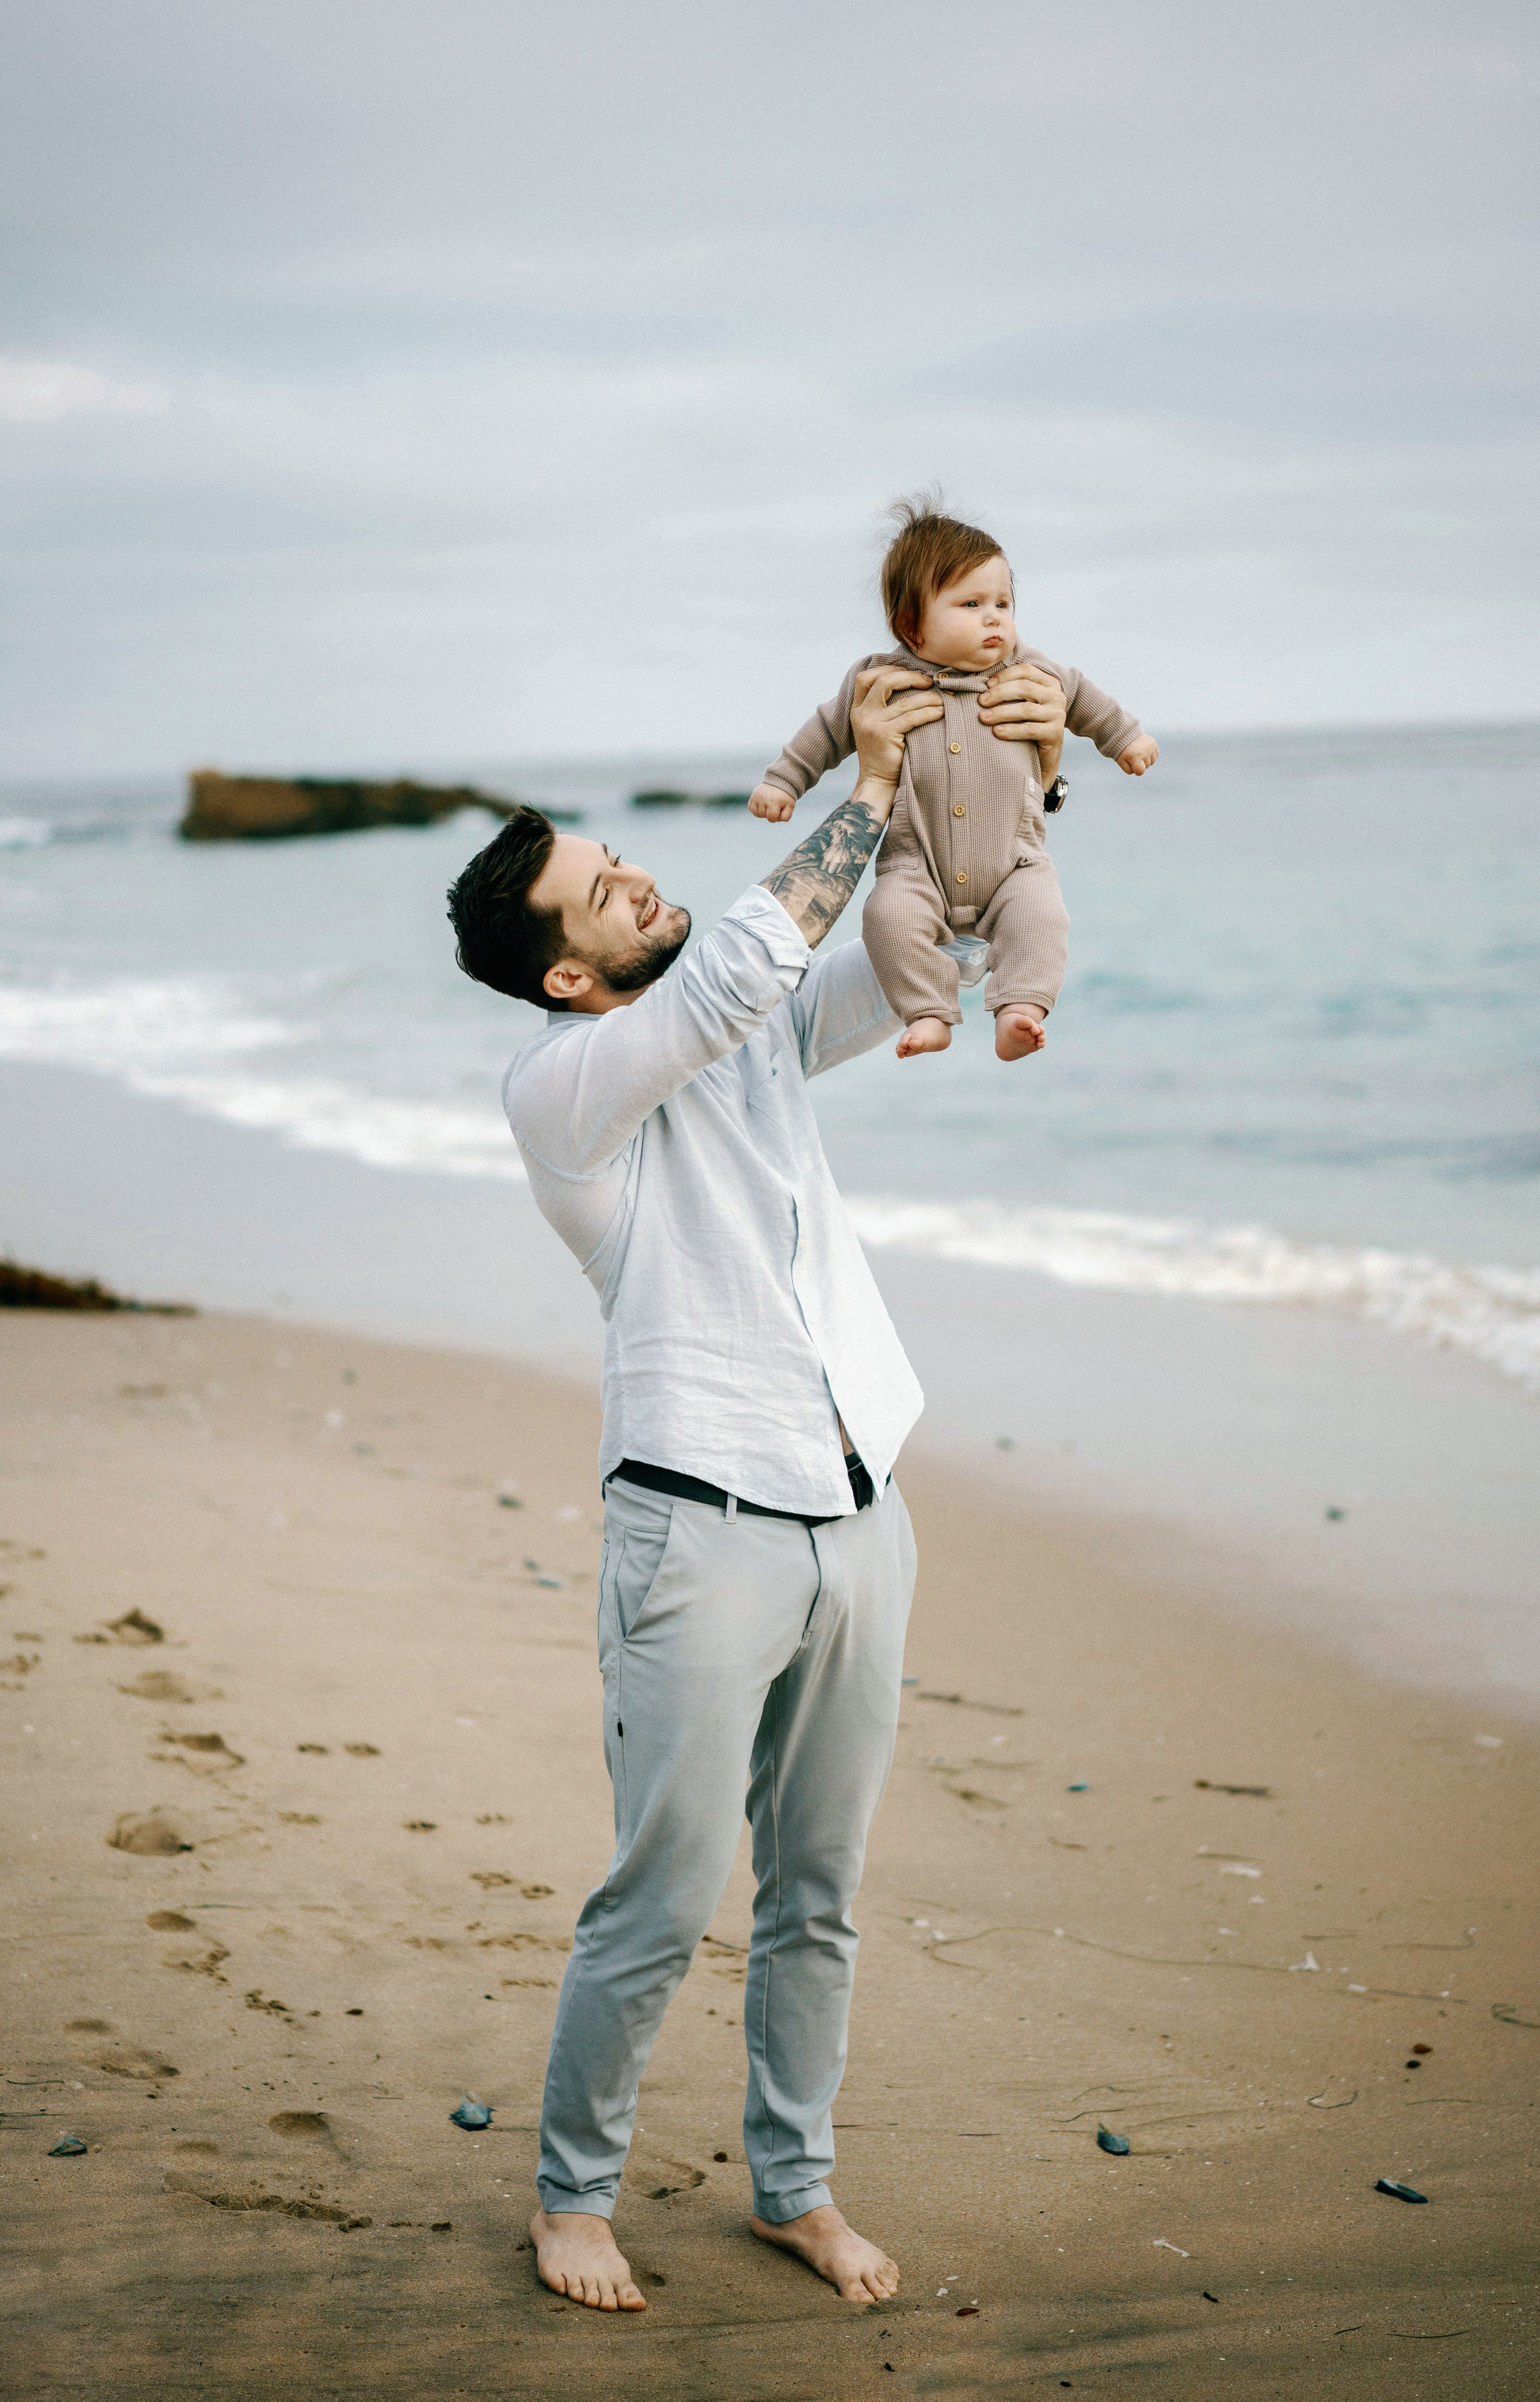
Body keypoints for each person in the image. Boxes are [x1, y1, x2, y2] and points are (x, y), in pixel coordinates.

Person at [444, 662, 1069, 2313]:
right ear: (568, 972)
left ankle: (792, 2184)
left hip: (862, 1508)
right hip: (696, 1534)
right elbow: (728, 976)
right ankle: (571, 2198)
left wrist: (993, 785)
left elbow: (887, 946)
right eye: (599, 889)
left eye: (610, 853)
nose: (633, 873)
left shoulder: (756, 1031)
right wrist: (853, 789)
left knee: (821, 1891)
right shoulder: (561, 1095)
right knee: (663, 1891)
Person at [749, 497, 1159, 1062]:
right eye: (971, 603)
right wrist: (784, 781)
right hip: (916, 867)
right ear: (911, 625)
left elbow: (1084, 698)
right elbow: (824, 732)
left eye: (1003, 602)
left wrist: (1127, 739)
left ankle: (1020, 1009)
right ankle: (929, 1011)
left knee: (1042, 917)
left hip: (1015, 860)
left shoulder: (1031, 670)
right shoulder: (879, 679)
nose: (995, 617)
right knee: (886, 918)